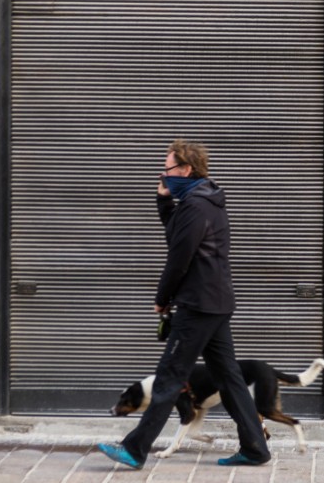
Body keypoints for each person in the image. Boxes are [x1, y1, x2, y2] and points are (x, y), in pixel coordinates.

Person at [98, 139, 270, 469]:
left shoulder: (196, 205)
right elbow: (178, 236)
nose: (164, 174)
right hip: (214, 301)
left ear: (186, 169)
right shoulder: (204, 200)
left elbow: (179, 258)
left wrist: (162, 299)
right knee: (229, 378)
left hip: (198, 305)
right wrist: (163, 201)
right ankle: (255, 448)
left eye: (168, 169)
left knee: (169, 376)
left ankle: (135, 449)